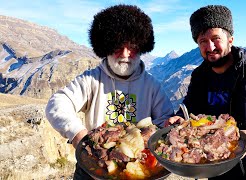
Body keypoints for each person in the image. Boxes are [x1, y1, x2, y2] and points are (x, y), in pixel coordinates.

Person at [166, 5, 246, 179]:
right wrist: (180, 118)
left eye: (215, 38)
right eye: (203, 41)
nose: (210, 46)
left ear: (230, 39)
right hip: (218, 169)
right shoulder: (199, 76)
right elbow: (189, 110)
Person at [45, 4, 174, 179]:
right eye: (118, 47)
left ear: (142, 47)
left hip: (140, 171)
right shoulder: (91, 80)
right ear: (105, 47)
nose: (125, 54)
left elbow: (165, 120)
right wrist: (78, 134)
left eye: (132, 47)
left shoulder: (152, 86)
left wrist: (164, 128)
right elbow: (58, 103)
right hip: (93, 170)